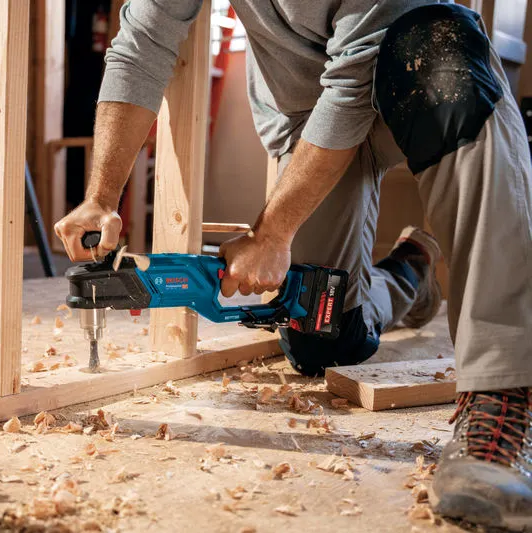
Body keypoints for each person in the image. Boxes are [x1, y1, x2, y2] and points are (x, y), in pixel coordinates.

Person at [53, 1, 532, 528]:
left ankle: (502, 398)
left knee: (438, 44)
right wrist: (100, 197)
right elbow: (141, 44)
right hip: (311, 122)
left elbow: (352, 85)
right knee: (322, 331)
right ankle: (411, 272)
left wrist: (272, 233)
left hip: (423, 80)